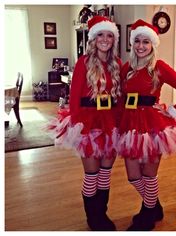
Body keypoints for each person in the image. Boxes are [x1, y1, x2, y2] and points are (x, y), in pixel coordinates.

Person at [118, 19, 176, 231]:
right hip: (130, 125)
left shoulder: (159, 67)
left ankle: (148, 217)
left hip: (153, 125)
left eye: (146, 42)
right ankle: (154, 206)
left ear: (153, 44)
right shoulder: (127, 67)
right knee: (133, 176)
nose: (141, 46)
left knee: (149, 175)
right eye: (137, 41)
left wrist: (172, 110)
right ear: (132, 43)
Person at [47, 16, 121, 231]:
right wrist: (79, 130)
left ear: (114, 40)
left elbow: (122, 97)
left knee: (105, 174)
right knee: (92, 174)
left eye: (109, 35)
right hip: (87, 124)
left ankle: (102, 214)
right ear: (93, 38)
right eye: (100, 35)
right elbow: (74, 97)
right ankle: (93, 217)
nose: (105, 39)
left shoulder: (117, 64)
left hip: (110, 124)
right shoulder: (83, 63)